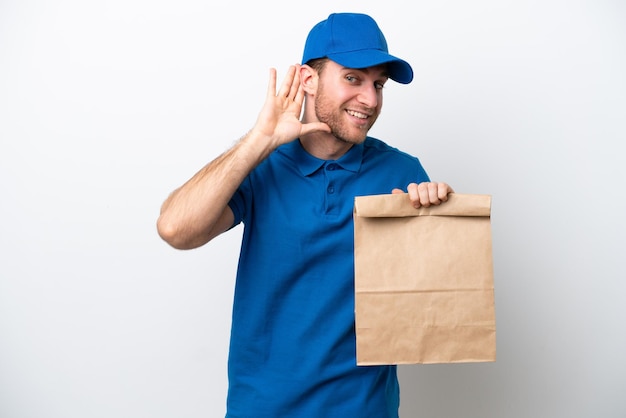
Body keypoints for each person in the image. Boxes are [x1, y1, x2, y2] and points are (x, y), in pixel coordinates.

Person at [157, 12, 454, 418]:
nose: (370, 99)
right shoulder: (262, 166)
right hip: (262, 409)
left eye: (378, 84)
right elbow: (176, 229)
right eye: (353, 78)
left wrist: (435, 220)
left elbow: (435, 308)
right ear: (308, 81)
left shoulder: (401, 174)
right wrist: (259, 141)